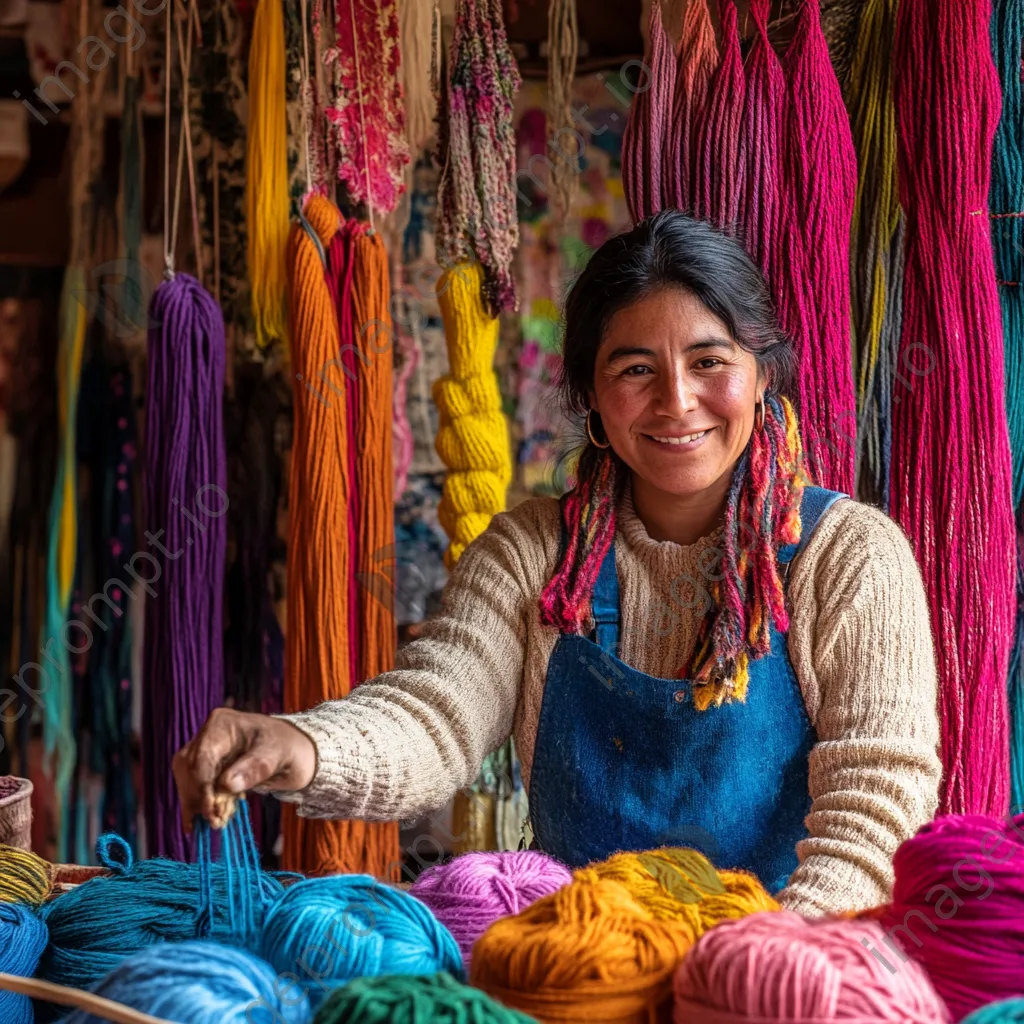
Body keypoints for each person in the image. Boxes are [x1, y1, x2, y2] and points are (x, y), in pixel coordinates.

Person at [174, 211, 941, 916]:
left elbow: (874, 803)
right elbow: (436, 714)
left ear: (764, 374)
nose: (678, 401)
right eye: (636, 369)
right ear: (591, 398)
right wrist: (301, 745)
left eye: (710, 361)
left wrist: (762, 965)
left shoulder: (848, 557)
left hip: (786, 976)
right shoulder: (532, 554)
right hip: (578, 974)